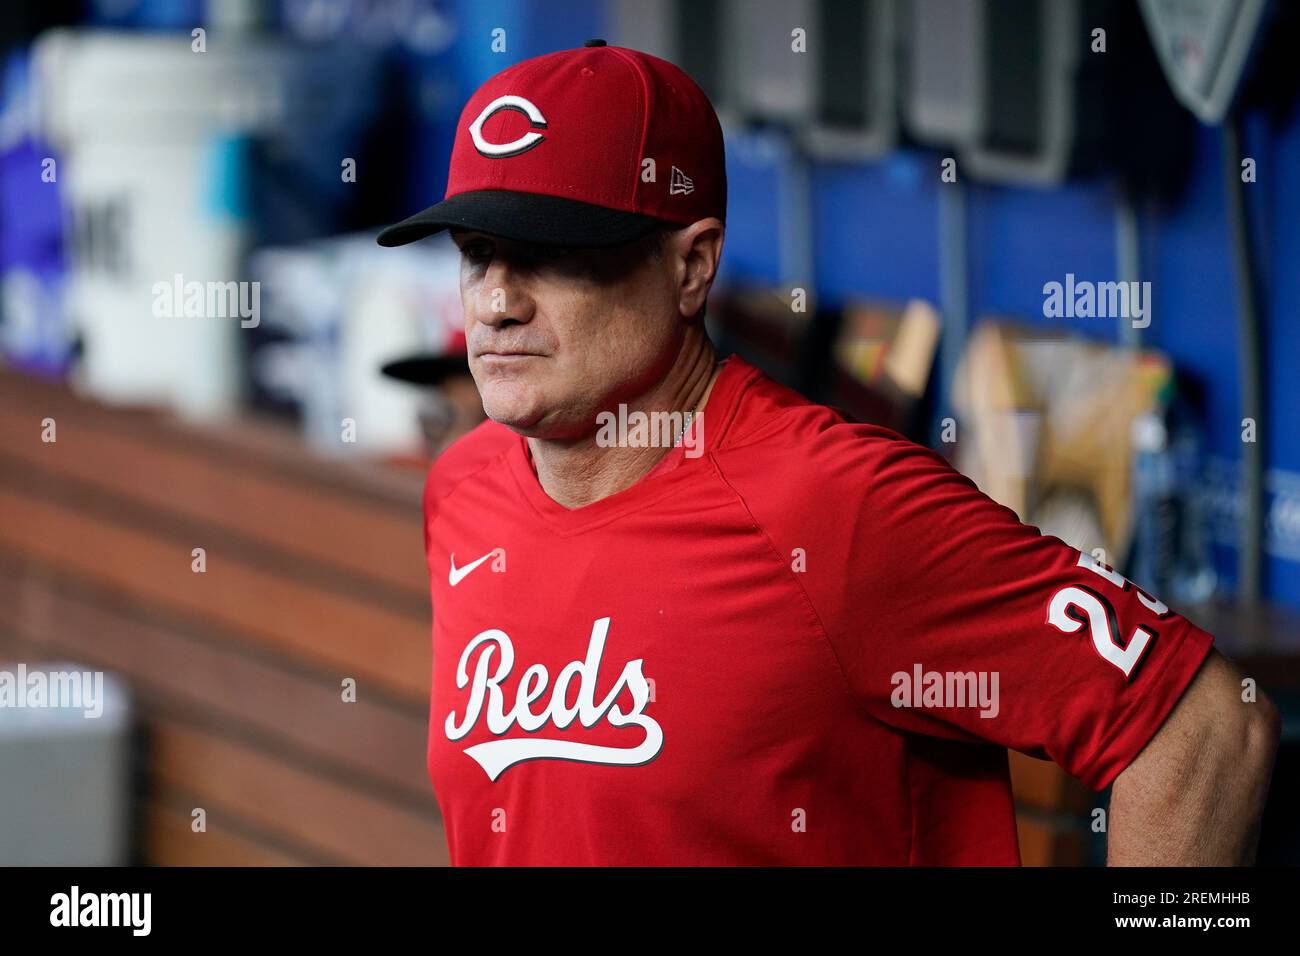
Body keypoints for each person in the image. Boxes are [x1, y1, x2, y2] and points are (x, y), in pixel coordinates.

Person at [377, 40, 1278, 865]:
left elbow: (1203, 728)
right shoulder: (465, 487)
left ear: (691, 267)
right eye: (478, 251)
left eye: (552, 253)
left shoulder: (835, 504)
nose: (496, 301)